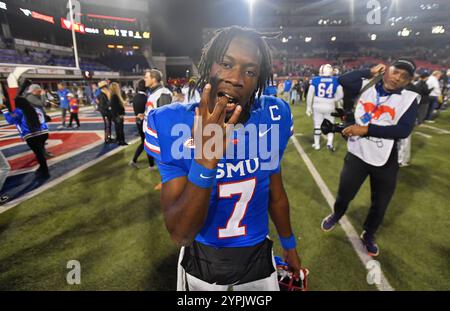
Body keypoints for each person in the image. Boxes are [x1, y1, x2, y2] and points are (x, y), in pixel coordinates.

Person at [144, 26, 301, 291]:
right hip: (202, 262)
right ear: (208, 66)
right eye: (226, 64)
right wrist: (206, 158)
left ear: (259, 80)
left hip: (258, 260)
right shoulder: (170, 122)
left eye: (250, 71)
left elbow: (276, 194)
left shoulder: (275, 116)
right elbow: (180, 233)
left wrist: (290, 246)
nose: (236, 78)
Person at [321, 60, 419, 257]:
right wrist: (370, 70)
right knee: (344, 193)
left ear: (408, 82)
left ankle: (369, 233)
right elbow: (343, 79)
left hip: (385, 158)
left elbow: (403, 130)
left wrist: (366, 129)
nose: (398, 78)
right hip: (357, 152)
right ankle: (337, 214)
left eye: (404, 77)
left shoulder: (409, 98)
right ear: (386, 70)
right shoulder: (367, 85)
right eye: (396, 72)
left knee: (381, 202)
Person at [2, 97, 50, 179]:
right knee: (40, 152)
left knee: (39, 154)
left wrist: (5, 110)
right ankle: (42, 167)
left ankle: (45, 171)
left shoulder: (19, 111)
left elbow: (10, 120)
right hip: (44, 133)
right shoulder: (36, 109)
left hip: (31, 135)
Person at [306, 64, 344, 151]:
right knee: (330, 125)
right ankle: (329, 144)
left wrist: (308, 107)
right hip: (330, 105)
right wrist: (333, 100)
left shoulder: (315, 80)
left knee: (317, 125)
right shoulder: (335, 80)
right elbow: (341, 95)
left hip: (317, 105)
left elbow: (310, 95)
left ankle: (317, 144)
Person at [129, 79, 155, 169]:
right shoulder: (146, 98)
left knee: (144, 141)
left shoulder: (135, 97)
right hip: (145, 123)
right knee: (146, 142)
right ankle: (150, 164)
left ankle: (136, 160)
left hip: (138, 122)